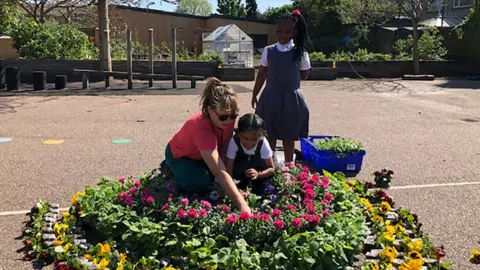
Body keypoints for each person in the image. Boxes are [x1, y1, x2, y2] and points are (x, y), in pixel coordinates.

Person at [164, 77, 251, 214]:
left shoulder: (225, 119)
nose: (229, 121)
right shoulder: (201, 129)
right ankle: (169, 168)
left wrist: (226, 174)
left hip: (204, 154)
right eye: (223, 117)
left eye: (233, 116)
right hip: (182, 155)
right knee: (201, 182)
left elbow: (224, 145)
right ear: (210, 110)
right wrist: (241, 204)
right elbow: (219, 171)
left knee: (233, 168)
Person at [251, 9, 312, 164]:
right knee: (269, 133)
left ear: (295, 32)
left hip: (292, 98)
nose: (283, 35)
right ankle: (269, 166)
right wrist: (255, 93)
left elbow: (304, 74)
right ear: (275, 31)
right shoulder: (268, 51)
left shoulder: (300, 53)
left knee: (288, 135)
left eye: (287, 32)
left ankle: (288, 166)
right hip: (270, 97)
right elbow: (261, 74)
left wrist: (291, 83)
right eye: (279, 31)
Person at [225, 113, 275, 196]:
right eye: (245, 138)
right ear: (238, 133)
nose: (249, 142)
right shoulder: (234, 141)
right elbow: (229, 165)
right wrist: (231, 186)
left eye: (254, 139)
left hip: (260, 173)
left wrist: (258, 174)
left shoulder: (263, 143)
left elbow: (271, 168)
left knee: (264, 191)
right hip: (241, 173)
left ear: (260, 136)